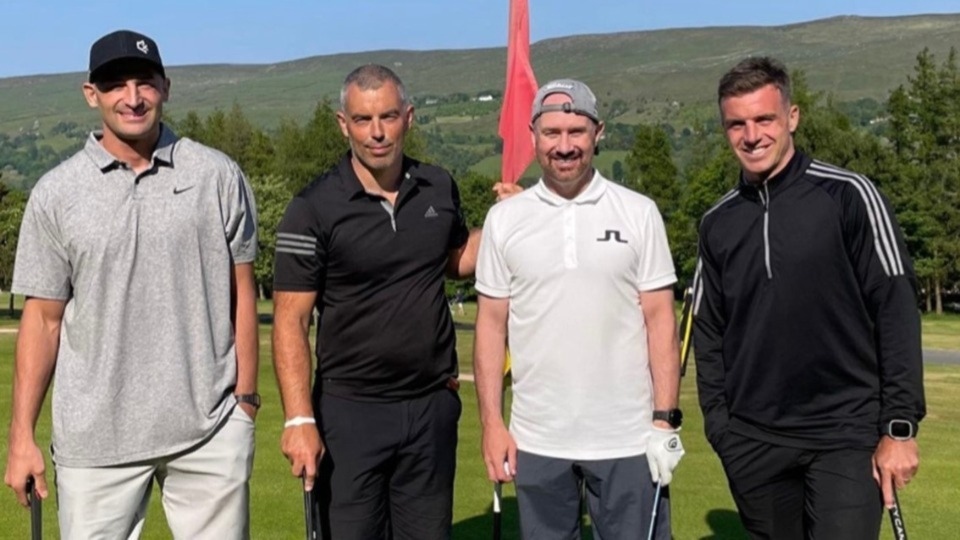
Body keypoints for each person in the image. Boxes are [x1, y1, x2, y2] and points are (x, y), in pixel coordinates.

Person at [2, 30, 260, 538]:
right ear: (90, 93)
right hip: (94, 444)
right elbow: (44, 320)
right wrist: (20, 436)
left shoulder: (217, 175)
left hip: (207, 433)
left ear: (166, 87)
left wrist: (245, 404)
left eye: (145, 82)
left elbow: (242, 292)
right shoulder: (57, 193)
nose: (133, 97)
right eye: (116, 85)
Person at [272, 64, 516, 539]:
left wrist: (513, 221)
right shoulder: (312, 208)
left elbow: (456, 256)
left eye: (388, 116)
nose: (377, 132)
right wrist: (299, 418)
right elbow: (290, 320)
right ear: (344, 124)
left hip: (431, 407)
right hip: (350, 411)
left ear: (409, 117)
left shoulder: (438, 186)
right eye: (362, 120)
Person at [692, 56, 925, 539]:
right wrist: (722, 427)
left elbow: (896, 306)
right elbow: (709, 329)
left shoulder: (848, 195)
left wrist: (898, 427)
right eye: (737, 124)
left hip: (845, 434)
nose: (751, 135)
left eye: (764, 119)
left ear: (792, 117)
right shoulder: (718, 222)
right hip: (754, 442)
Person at [473, 79, 684, 539]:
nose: (564, 146)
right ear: (533, 136)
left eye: (576, 132)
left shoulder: (638, 212)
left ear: (598, 132)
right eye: (552, 133)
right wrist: (492, 424)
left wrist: (665, 421)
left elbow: (660, 321)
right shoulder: (504, 220)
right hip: (537, 440)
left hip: (628, 438)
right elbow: (490, 327)